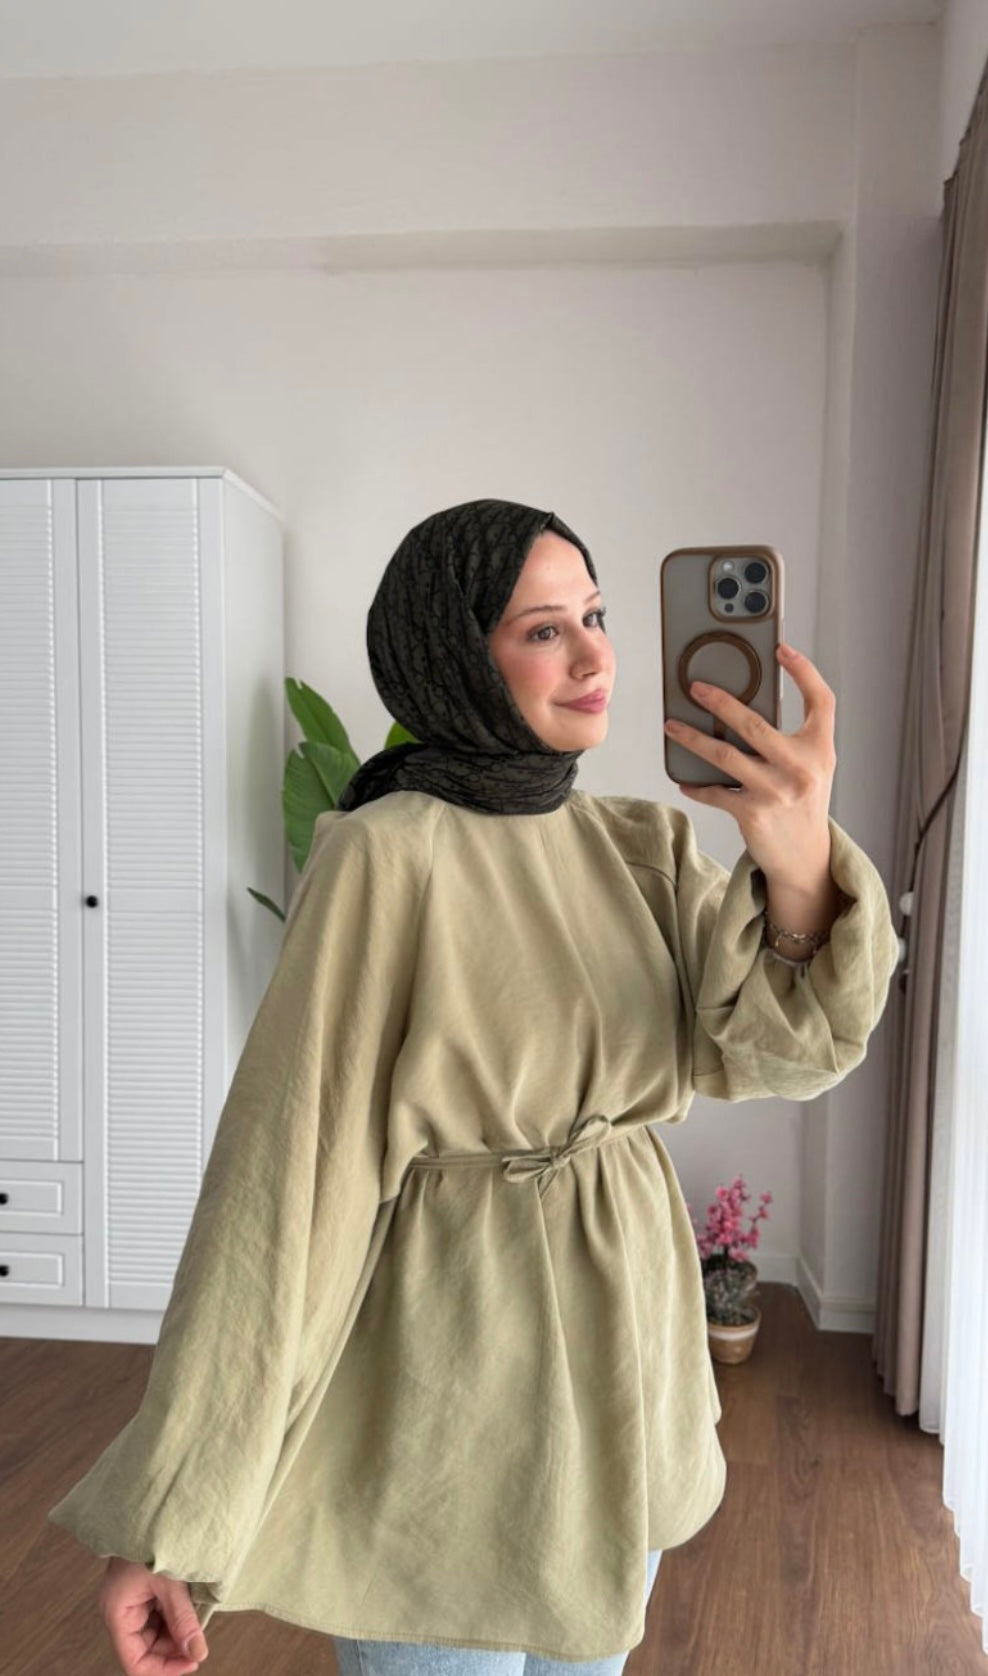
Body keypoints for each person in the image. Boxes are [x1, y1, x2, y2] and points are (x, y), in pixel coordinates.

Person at [48, 499, 900, 1676]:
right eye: (543, 629)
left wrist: (796, 848)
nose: (595, 655)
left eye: (596, 615)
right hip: (450, 1399)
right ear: (452, 650)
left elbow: (784, 1051)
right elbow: (283, 1186)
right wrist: (167, 1518)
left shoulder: (639, 845)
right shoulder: (382, 853)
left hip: (625, 1383)